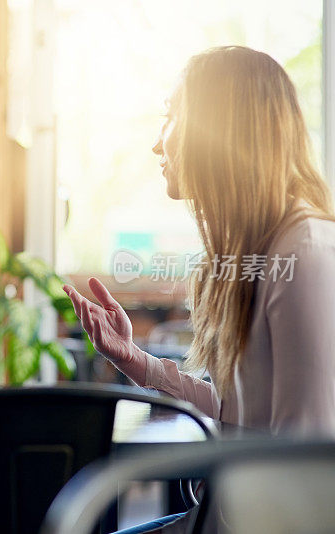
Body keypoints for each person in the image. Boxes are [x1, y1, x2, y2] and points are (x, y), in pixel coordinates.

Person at [64, 46, 335, 532]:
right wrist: (132, 358)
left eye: (170, 116)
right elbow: (244, 417)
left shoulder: (306, 252)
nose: (156, 143)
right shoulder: (253, 252)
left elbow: (305, 456)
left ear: (219, 128)